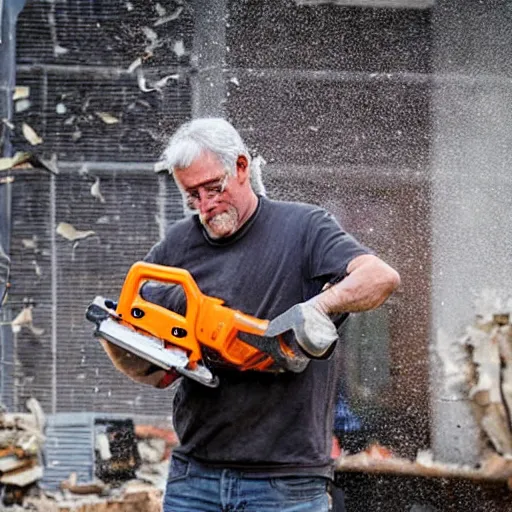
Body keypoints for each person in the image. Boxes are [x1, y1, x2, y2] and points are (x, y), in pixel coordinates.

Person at [99, 117, 400, 512]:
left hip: (286, 480)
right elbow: (147, 350)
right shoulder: (178, 245)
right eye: (193, 196)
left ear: (241, 167)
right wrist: (130, 342)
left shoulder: (304, 228)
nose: (205, 205)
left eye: (213, 188)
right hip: (196, 475)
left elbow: (380, 277)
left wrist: (317, 308)